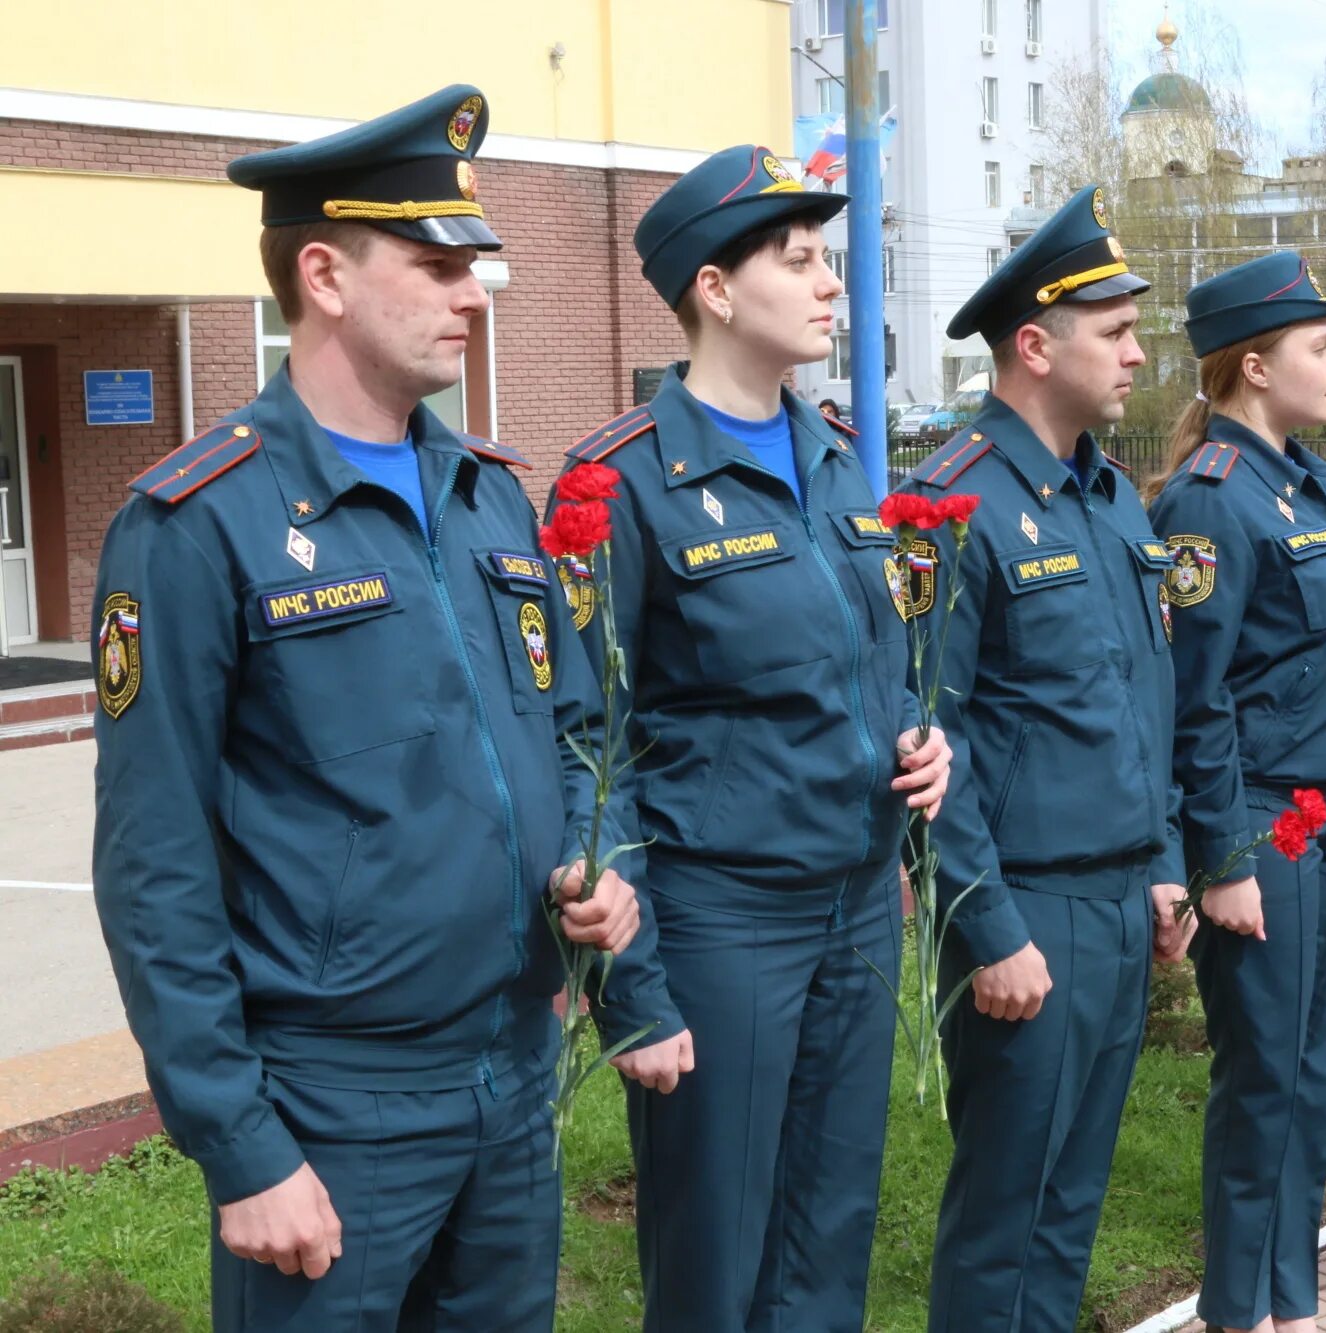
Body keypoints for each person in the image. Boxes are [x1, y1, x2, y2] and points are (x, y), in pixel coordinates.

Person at [91, 85, 660, 1332]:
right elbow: (155, 866)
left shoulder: (490, 497)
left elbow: (567, 737)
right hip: (330, 1106)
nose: (476, 291)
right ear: (324, 275)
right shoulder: (198, 525)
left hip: (512, 1076)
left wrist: (587, 861)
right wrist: (241, 1145)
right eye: (437, 261)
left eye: (478, 263)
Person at [558, 145, 952, 1333]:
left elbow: (872, 665)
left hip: (851, 908)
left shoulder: (837, 460)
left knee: (829, 1233)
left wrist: (924, 741)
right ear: (714, 292)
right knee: (716, 1252)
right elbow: (585, 744)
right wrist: (630, 990)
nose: (830, 281)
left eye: (827, 258)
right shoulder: (620, 482)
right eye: (799, 260)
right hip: (722, 918)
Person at [902, 184, 1190, 1333]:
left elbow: (1139, 701)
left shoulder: (1110, 500)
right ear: (1034, 344)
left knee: (1068, 1205)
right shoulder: (951, 503)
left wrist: (1163, 859)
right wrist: (985, 927)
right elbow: (928, 738)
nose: (1135, 353)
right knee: (1003, 1214)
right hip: (1029, 908)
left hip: (1120, 898)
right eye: (1114, 333)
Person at [1146, 252, 1326, 1333]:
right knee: (1263, 1076)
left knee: (1312, 1077)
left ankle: (1286, 1301)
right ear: (1254, 365)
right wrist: (1218, 859)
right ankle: (1237, 1309)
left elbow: (1315, 646)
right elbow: (1197, 696)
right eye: (1321, 347)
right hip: (1266, 822)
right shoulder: (1208, 502)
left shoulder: (1307, 483)